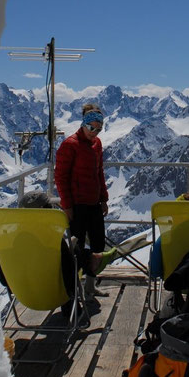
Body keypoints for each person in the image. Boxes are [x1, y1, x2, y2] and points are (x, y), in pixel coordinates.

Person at [54, 103, 116, 285]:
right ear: (83, 124)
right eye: (91, 127)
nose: (94, 132)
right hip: (77, 205)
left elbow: (99, 173)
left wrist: (103, 199)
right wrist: (67, 206)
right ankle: (76, 288)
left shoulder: (97, 144)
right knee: (77, 247)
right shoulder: (70, 145)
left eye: (99, 129)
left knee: (97, 245)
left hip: (94, 203)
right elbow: (61, 177)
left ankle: (90, 286)